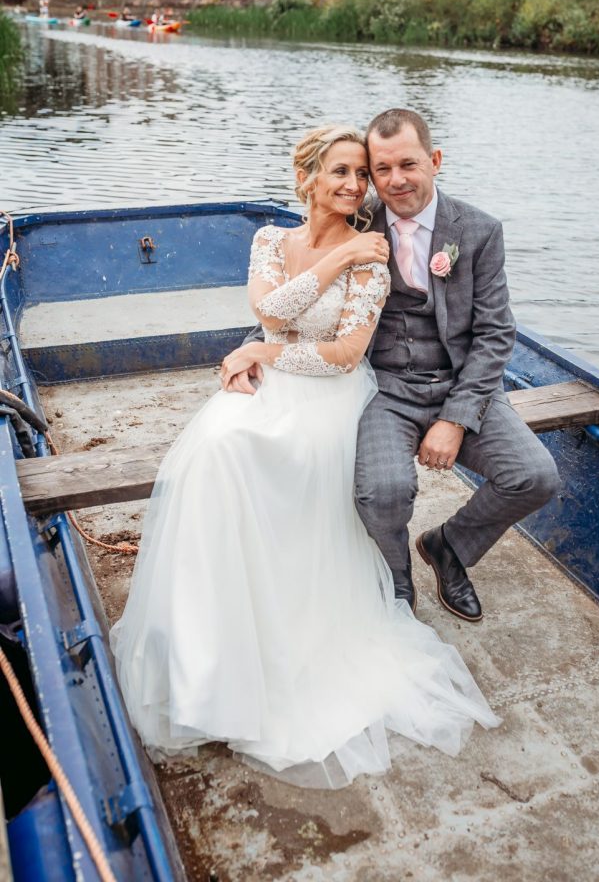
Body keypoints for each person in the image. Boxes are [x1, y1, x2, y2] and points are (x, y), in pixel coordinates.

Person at [110, 124, 498, 787]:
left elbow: (344, 354)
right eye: (341, 172)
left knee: (261, 454)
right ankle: (207, 652)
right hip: (274, 381)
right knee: (215, 447)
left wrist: (264, 345)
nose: (355, 185)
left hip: (330, 397)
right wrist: (327, 268)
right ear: (307, 179)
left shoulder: (372, 256)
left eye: (361, 174)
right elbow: (269, 309)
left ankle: (285, 639)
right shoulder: (271, 240)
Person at [232, 110, 561, 620]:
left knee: (534, 476)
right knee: (383, 491)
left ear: (434, 160)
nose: (393, 180)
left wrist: (455, 419)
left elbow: (496, 335)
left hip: (461, 383)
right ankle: (395, 572)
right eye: (380, 169)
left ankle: (449, 546)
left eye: (407, 164)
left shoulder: (478, 231)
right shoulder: (357, 220)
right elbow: (305, 293)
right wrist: (251, 347)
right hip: (382, 388)